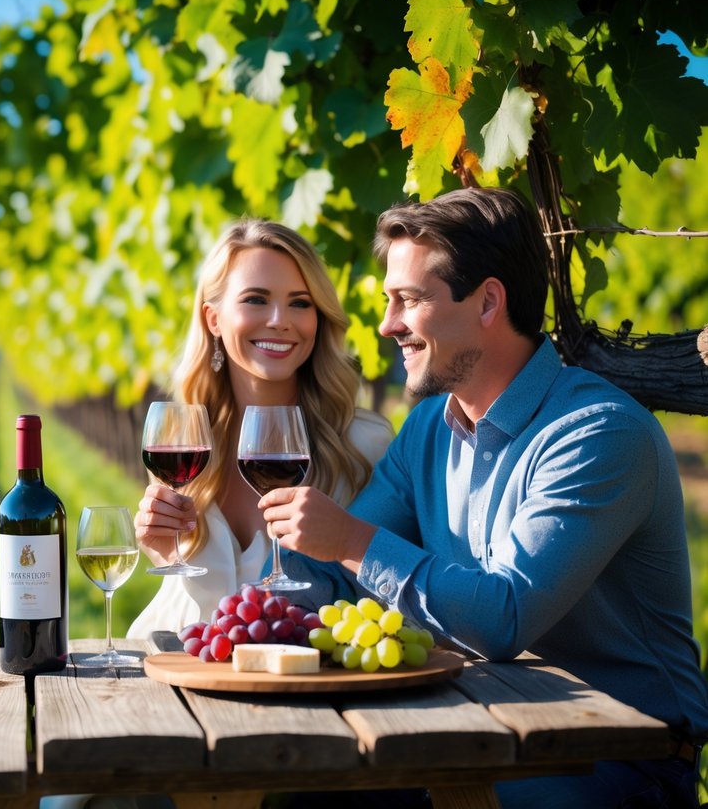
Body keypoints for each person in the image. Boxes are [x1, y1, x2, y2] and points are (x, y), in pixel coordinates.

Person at [265, 187, 708, 807]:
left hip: (618, 759)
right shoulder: (428, 429)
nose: (389, 325)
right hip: (483, 728)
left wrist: (351, 542)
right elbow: (334, 572)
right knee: (304, 794)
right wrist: (254, 613)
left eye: (409, 300)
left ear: (488, 302)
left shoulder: (599, 434)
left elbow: (503, 618)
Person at [127, 218, 394, 638]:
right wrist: (166, 553)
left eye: (300, 303)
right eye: (256, 299)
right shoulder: (186, 445)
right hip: (176, 681)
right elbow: (193, 616)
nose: (279, 320)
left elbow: (381, 603)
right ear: (213, 319)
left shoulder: (364, 446)